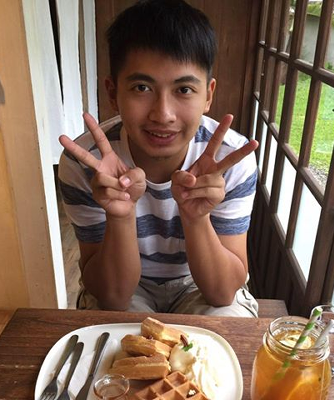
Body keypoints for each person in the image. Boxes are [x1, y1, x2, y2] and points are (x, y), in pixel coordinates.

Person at [58, 0, 259, 317]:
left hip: (198, 282)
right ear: (113, 93)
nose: (163, 115)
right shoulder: (86, 163)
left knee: (228, 322)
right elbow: (112, 297)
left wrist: (196, 216)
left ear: (208, 95)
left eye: (184, 90)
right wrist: (120, 215)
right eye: (142, 87)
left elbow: (222, 293)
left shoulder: (231, 159)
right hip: (128, 284)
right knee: (111, 330)